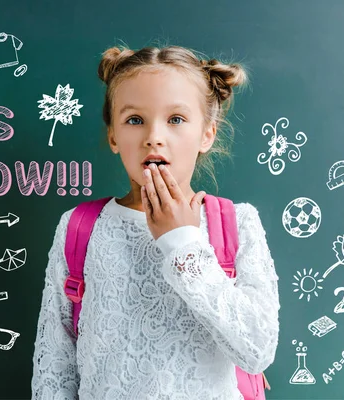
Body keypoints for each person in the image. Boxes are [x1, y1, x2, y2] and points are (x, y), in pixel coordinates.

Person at [31, 43, 280, 399]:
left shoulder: (237, 224)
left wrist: (182, 241)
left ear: (206, 133)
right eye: (135, 120)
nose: (154, 137)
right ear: (113, 135)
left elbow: (257, 351)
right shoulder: (79, 228)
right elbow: (55, 369)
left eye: (176, 119)